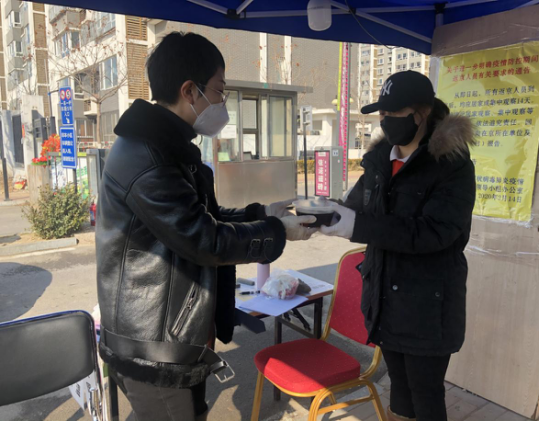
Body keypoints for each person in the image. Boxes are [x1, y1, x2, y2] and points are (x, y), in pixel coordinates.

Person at [96, 32, 316, 421]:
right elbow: (202, 239)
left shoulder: (167, 148)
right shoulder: (149, 157)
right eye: (219, 90)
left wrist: (263, 213)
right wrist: (277, 232)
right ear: (189, 91)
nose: (222, 101)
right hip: (153, 345)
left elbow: (200, 218)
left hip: (170, 335)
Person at [322, 71, 476, 421]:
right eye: (382, 113)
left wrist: (355, 224)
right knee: (399, 388)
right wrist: (318, 211)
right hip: (384, 300)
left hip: (428, 307)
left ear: (422, 113)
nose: (386, 119)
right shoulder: (379, 161)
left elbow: (433, 232)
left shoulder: (452, 165)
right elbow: (355, 208)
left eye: (395, 112)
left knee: (425, 392)